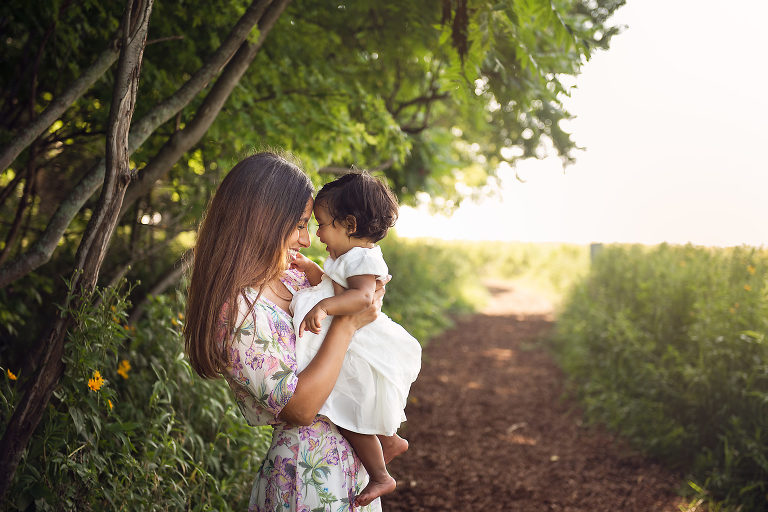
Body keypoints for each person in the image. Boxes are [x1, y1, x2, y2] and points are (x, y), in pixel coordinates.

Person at [184, 152, 387, 511]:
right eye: (298, 225)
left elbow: (361, 307)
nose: (307, 240)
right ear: (262, 221)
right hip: (305, 478)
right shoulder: (233, 311)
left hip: (353, 469)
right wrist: (346, 323)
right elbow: (301, 409)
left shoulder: (291, 276)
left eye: (309, 225)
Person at [289, 171, 421, 507]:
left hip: (363, 344)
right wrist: (310, 270)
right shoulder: (346, 257)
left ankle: (381, 475)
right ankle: (389, 441)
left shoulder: (363, 257)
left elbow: (362, 298)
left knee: (348, 409)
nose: (317, 234)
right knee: (348, 404)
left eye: (321, 224)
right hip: (353, 341)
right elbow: (333, 285)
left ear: (348, 224)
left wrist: (324, 307)